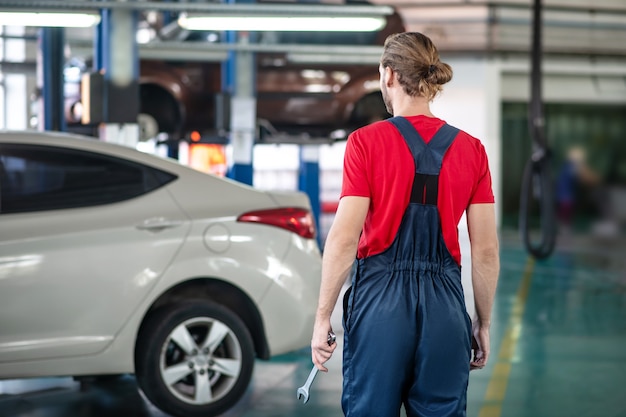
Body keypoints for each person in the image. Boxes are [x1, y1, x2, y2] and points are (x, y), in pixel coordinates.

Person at [310, 32, 500, 417]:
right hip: (446, 307)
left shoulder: (366, 143)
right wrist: (482, 322)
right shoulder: (472, 150)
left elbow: (344, 240)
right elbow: (485, 250)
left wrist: (322, 318)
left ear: (390, 75)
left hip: (381, 304)